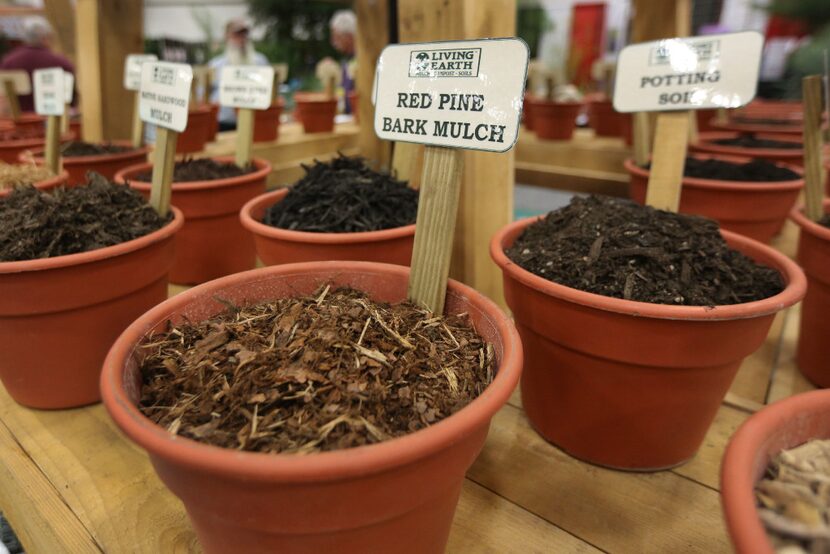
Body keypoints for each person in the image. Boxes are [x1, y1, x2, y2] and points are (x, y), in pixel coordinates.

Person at [0, 16, 75, 113]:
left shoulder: (8, 62)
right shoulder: (61, 63)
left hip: (20, 121)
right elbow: (71, 99)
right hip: (51, 119)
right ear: (45, 38)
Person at [208, 18, 269, 131]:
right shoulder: (215, 65)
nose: (242, 39)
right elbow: (203, 96)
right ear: (227, 36)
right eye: (237, 34)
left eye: (244, 34)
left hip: (254, 123)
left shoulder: (260, 61)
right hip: (224, 124)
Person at [329, 9, 357, 114]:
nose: (333, 41)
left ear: (349, 37)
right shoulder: (346, 62)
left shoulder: (366, 63)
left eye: (336, 37)